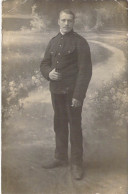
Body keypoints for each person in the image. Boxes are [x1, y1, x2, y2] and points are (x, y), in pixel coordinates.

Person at [40, 9, 92, 180]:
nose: (66, 23)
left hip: (72, 93)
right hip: (56, 91)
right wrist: (49, 73)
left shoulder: (80, 42)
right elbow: (44, 63)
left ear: (73, 22)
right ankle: (60, 158)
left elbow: (85, 72)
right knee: (59, 125)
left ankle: (77, 163)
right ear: (58, 21)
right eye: (63, 20)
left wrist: (78, 95)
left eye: (69, 20)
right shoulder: (53, 41)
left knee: (75, 127)